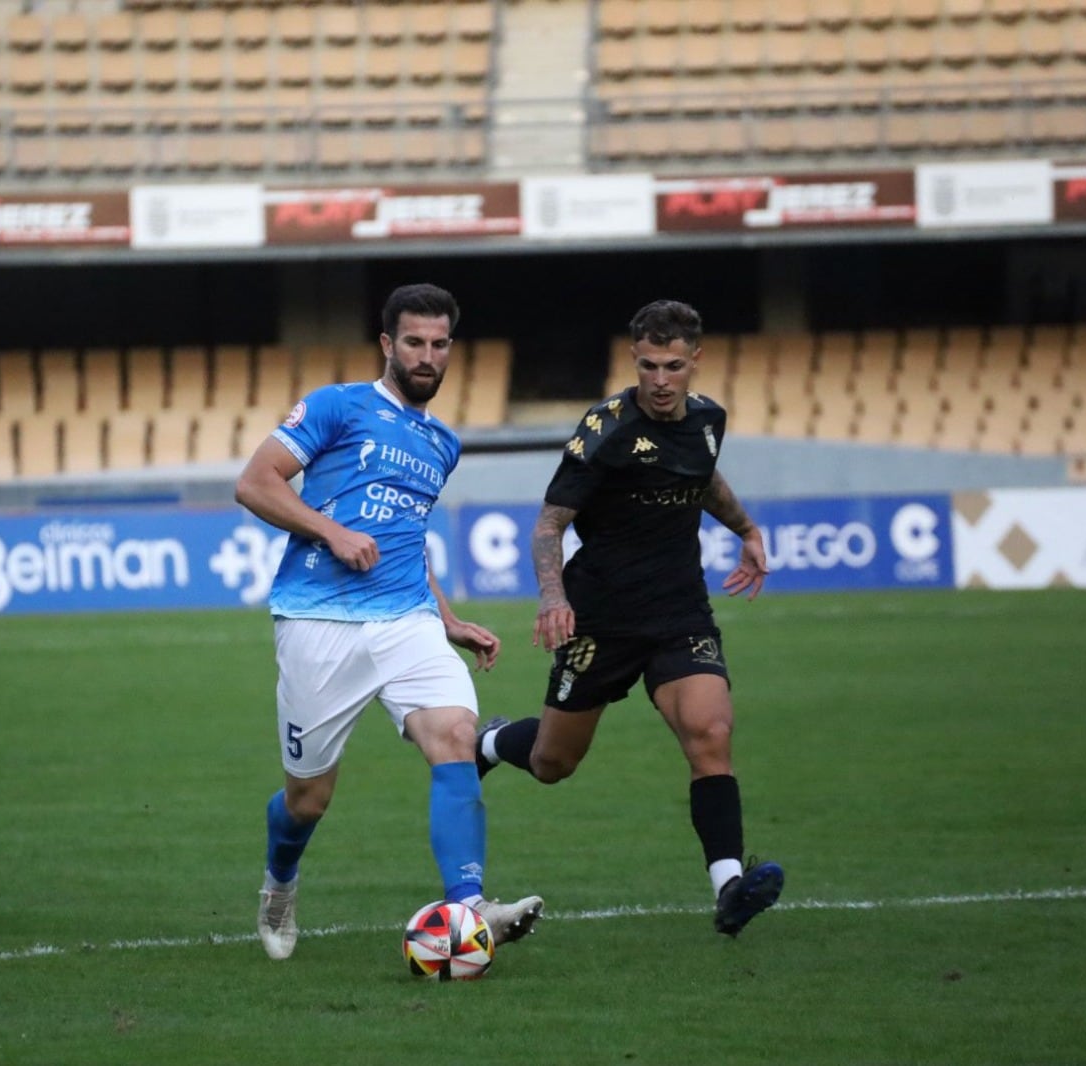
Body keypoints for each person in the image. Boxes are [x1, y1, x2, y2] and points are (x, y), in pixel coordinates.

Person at [235, 282, 544, 961]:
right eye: (414, 342)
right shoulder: (336, 406)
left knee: (456, 733)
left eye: (439, 344)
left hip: (407, 620)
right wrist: (330, 532)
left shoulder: (443, 443)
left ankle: (469, 907)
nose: (427, 356)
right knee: (308, 799)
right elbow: (256, 482)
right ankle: (279, 884)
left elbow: (407, 534)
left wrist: (448, 617)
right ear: (387, 344)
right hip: (320, 619)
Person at [474, 298, 784, 938]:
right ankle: (491, 741)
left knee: (710, 733)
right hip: (601, 619)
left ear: (695, 360)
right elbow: (550, 524)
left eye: (673, 366)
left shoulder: (707, 421)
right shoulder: (605, 428)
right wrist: (554, 598)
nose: (661, 380)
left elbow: (704, 480)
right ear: (633, 361)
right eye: (648, 366)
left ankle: (728, 887)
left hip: (678, 612)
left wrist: (748, 529)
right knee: (553, 763)